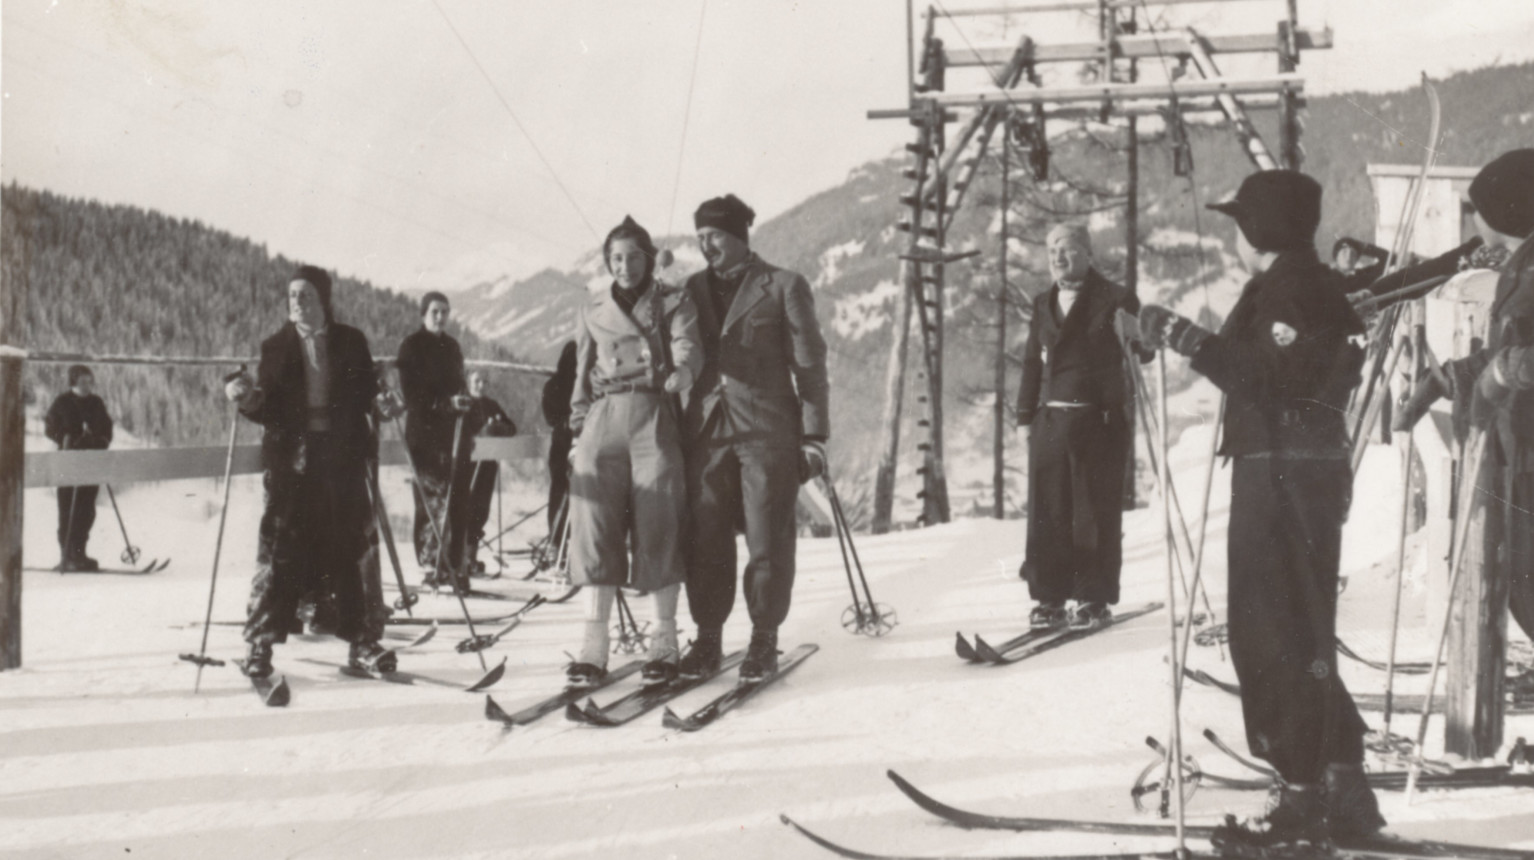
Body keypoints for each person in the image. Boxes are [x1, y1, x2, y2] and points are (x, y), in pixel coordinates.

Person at [1135, 171, 1383, 848]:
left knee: (1272, 634)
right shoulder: (1307, 284)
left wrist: (1188, 338)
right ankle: (1341, 782)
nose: (1235, 237)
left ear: (1260, 230)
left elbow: (1271, 377)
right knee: (1300, 633)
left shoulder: (1291, 290)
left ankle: (1304, 796)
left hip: (1281, 475)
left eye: (1240, 223)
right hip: (1297, 471)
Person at [677, 194, 830, 683]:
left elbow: (809, 365)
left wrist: (814, 437)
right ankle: (707, 639)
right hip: (707, 431)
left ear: (739, 238)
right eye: (700, 237)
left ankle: (764, 638)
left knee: (768, 538)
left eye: (715, 237)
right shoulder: (690, 289)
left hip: (768, 430)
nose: (706, 246)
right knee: (706, 538)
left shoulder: (784, 286)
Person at [224, 265, 395, 677]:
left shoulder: (351, 343)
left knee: (357, 552)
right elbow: (266, 407)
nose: (296, 303)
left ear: (323, 300)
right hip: (292, 466)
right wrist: (245, 399)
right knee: (278, 552)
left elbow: (370, 395)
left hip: (342, 463)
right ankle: (259, 646)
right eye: (292, 296)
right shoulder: (276, 347)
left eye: (305, 295)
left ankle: (364, 643)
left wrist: (385, 403)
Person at [1399, 149, 1534, 645]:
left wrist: (1505, 370)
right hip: (1513, 447)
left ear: (1505, 211)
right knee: (1522, 582)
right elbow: (1508, 350)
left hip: (1526, 450)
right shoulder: (1522, 266)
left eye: (1480, 206)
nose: (1474, 218)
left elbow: (1518, 358)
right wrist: (1444, 379)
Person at [564, 216, 702, 687]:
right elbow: (580, 378)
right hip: (603, 424)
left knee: (659, 521)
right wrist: (578, 429)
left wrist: (681, 373)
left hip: (653, 416)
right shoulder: (591, 309)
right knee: (594, 527)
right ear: (608, 263)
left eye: (633, 257)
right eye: (616, 259)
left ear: (647, 257)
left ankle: (663, 640)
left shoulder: (671, 300)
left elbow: (688, 346)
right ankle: (593, 646)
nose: (625, 266)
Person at [1014, 223, 1149, 630]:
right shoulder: (1042, 303)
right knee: (1048, 512)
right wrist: (1024, 417)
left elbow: (1140, 354)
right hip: (1052, 421)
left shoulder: (1116, 298)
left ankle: (1093, 597)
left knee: (1094, 512)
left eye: (1068, 250)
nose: (1058, 257)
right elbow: (1032, 364)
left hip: (1099, 420)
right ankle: (1049, 599)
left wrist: (1140, 341)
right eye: (1052, 250)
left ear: (1088, 254)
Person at [396, 291, 472, 589]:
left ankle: (454, 565)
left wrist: (463, 400)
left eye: (444, 312)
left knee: (456, 501)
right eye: (434, 312)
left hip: (452, 435)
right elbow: (413, 396)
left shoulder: (452, 347)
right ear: (423, 314)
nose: (440, 317)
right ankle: (429, 565)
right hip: (425, 435)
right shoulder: (411, 347)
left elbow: (460, 383)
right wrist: (445, 404)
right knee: (430, 502)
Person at [44, 364, 113, 572]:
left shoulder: (96, 402)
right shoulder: (62, 402)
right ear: (73, 381)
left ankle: (80, 553)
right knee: (67, 509)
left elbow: (107, 429)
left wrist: (100, 440)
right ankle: (67, 554)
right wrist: (66, 437)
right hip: (67, 462)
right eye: (83, 381)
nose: (87, 386)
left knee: (87, 510)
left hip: (90, 463)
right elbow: (50, 427)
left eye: (90, 381)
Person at [461, 368, 517, 578]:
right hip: (467, 465)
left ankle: (471, 558)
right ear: (468, 381)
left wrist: (498, 428)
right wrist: (484, 432)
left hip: (487, 466)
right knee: (464, 510)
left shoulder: (491, 405)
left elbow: (512, 428)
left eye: (484, 381)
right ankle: (461, 559)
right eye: (477, 381)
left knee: (480, 511)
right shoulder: (463, 403)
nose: (481, 386)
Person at [542, 341, 578, 536]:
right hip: (574, 439)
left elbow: (549, 417)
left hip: (560, 440)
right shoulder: (584, 384)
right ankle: (565, 539)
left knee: (559, 489)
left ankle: (556, 538)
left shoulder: (552, 385)